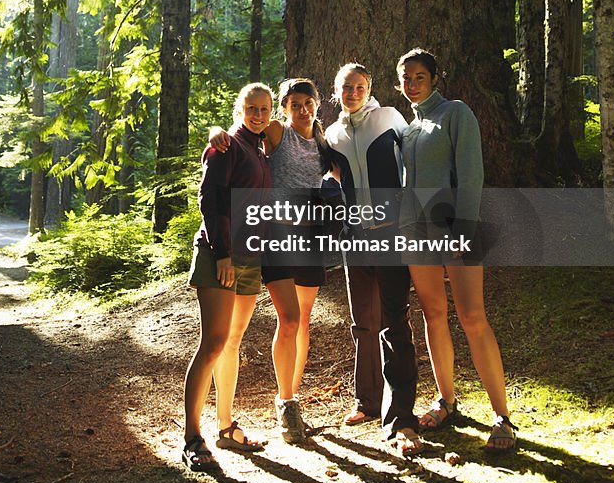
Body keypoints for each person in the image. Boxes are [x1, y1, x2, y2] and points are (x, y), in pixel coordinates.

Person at [396, 48, 517, 452]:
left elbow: (471, 174)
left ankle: (501, 415)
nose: (412, 84)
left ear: (434, 78)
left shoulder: (456, 113)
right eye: (406, 78)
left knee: (472, 315)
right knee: (433, 314)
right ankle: (446, 401)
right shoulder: (407, 128)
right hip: (416, 232)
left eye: (419, 76)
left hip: (455, 230)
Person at [210, 78, 335, 444]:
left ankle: (288, 402)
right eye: (294, 103)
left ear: (316, 105)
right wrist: (218, 131)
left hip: (309, 237)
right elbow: (242, 135)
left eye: (307, 102)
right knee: (288, 317)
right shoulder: (278, 131)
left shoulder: (325, 142)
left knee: (302, 322)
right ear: (284, 108)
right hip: (275, 237)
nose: (302, 109)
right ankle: (270, 407)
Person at [325, 63, 422, 456]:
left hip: (391, 233)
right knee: (362, 321)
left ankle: (400, 415)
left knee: (394, 321)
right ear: (337, 91)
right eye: (347, 87)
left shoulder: (390, 118)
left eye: (360, 87)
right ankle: (367, 402)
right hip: (355, 237)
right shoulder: (331, 133)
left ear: (370, 89)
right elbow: (332, 176)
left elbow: (414, 163)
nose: (353, 92)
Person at [182, 83, 273, 471]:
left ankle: (225, 426)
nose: (257, 113)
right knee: (214, 342)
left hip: (249, 257)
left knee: (232, 342)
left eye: (264, 108)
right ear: (239, 109)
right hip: (222, 256)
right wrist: (223, 253)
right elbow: (211, 199)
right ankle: (191, 436)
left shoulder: (259, 147)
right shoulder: (226, 146)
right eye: (251, 107)